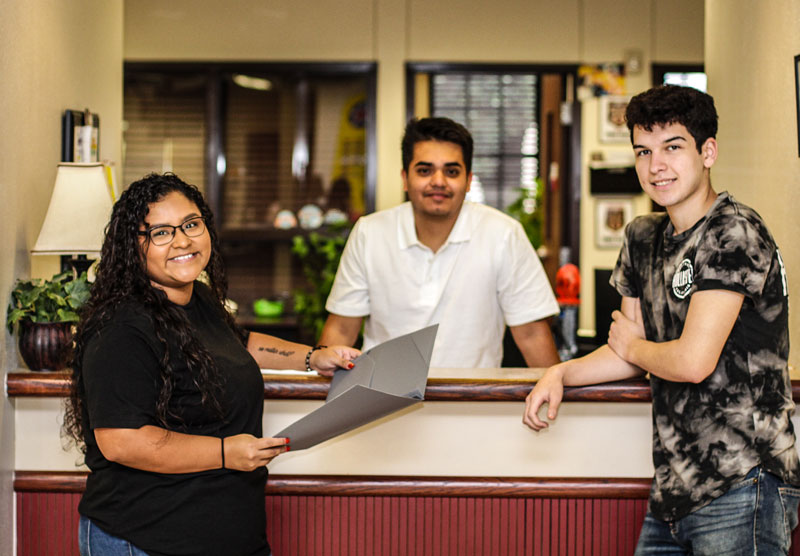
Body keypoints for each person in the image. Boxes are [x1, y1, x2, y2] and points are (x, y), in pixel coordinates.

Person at [523, 85, 800, 555]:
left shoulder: (733, 230)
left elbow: (691, 361)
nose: (656, 166)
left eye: (673, 147)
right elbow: (624, 353)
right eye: (643, 152)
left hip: (744, 483)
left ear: (707, 151)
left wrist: (634, 347)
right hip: (673, 493)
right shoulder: (641, 236)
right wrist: (560, 373)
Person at [63, 173, 359, 556]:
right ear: (132, 246)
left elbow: (239, 344)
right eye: (161, 232)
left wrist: (312, 356)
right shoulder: (121, 326)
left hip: (227, 537)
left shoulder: (196, 298)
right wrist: (225, 453)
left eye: (190, 224)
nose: (183, 240)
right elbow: (121, 441)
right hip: (144, 540)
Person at [319, 117, 560, 368]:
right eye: (424, 170)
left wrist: (560, 404)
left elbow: (532, 334)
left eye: (452, 172)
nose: (438, 181)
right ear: (404, 178)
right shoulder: (370, 233)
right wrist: (316, 395)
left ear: (468, 180)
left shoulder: (503, 234)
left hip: (475, 399)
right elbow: (342, 328)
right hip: (381, 400)